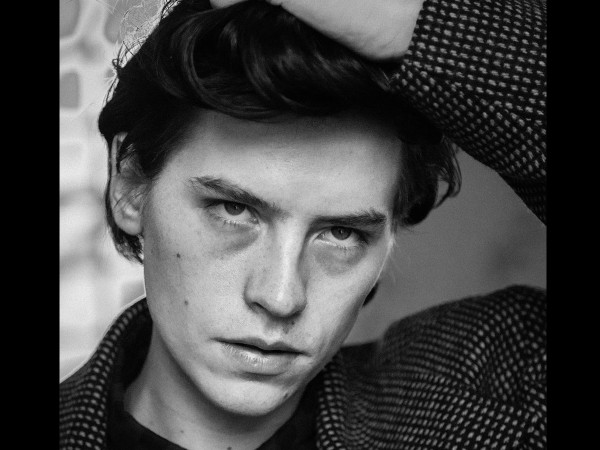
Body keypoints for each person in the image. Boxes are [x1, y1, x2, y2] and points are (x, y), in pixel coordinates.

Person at [59, 0, 546, 448]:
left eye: (341, 234)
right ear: (129, 183)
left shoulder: (493, 393)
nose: (281, 297)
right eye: (234, 210)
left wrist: (418, 31)